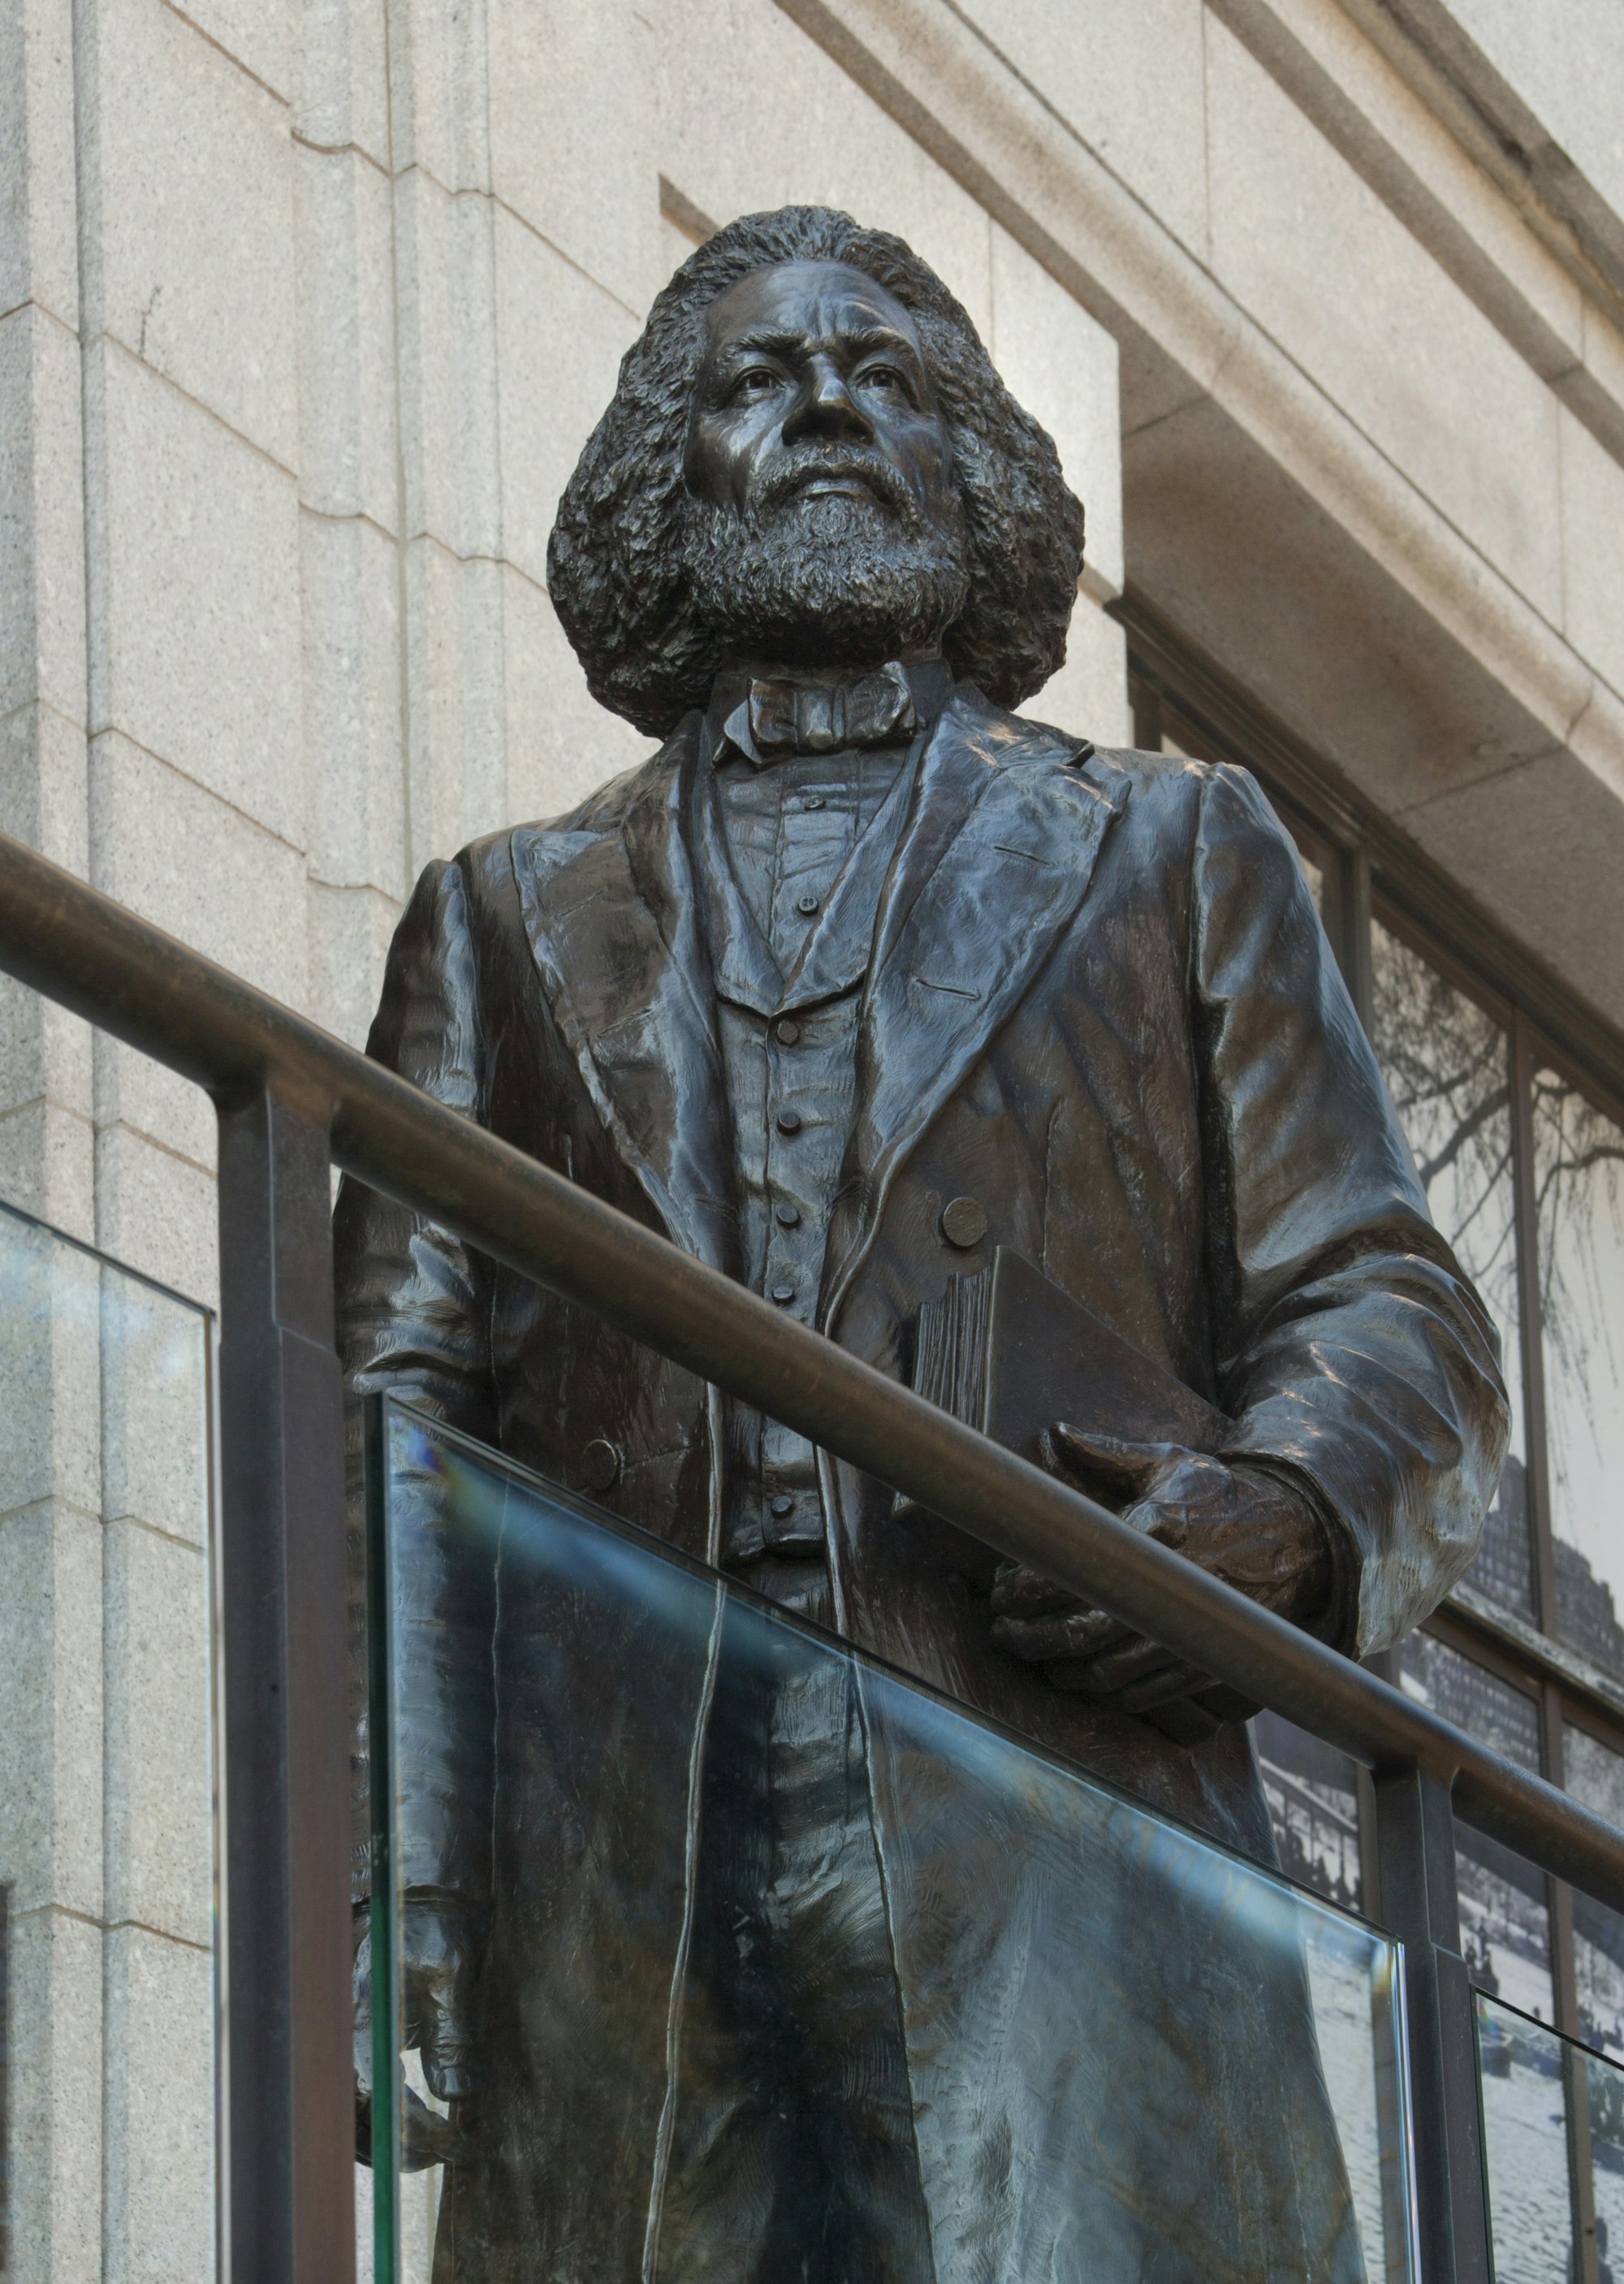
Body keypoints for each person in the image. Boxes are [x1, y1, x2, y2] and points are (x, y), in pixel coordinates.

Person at [337, 204, 1509, 2280]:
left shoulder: (1176, 849)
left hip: (1055, 1824)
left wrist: (1286, 1505)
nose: (821, 410)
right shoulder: (497, 920)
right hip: (623, 1859)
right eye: (755, 383)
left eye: (882, 376)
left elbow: (1385, 1293)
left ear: (966, 460)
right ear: (655, 486)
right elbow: (387, 1427)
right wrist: (403, 1876)